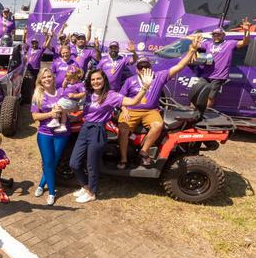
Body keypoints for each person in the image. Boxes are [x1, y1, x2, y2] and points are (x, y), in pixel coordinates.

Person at [69, 68, 153, 204]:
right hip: (85, 129)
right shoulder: (88, 94)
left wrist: (144, 87)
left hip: (97, 130)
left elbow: (132, 102)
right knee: (74, 163)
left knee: (91, 164)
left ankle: (92, 192)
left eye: (99, 79)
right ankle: (85, 186)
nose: (96, 81)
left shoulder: (111, 95)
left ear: (104, 80)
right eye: (93, 79)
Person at [117, 36, 202, 169]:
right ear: (137, 69)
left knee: (158, 125)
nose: (144, 69)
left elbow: (179, 66)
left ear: (151, 68)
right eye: (141, 67)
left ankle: (143, 151)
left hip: (151, 111)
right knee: (123, 130)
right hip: (131, 110)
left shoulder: (159, 76)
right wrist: (124, 109)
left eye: (147, 66)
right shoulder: (130, 81)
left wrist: (192, 50)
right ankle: (123, 158)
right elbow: (120, 98)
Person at [30, 67, 72, 205]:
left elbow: (74, 106)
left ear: (53, 78)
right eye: (44, 77)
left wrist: (67, 108)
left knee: (53, 163)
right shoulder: (37, 95)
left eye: (49, 76)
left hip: (62, 133)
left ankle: (42, 185)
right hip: (45, 134)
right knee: (48, 162)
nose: (47, 79)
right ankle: (52, 193)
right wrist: (50, 114)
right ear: (40, 81)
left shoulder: (61, 91)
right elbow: (35, 116)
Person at [198, 20, 251, 107]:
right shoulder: (208, 44)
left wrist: (246, 31)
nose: (216, 36)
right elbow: (194, 45)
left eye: (218, 34)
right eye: (214, 34)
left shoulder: (229, 44)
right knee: (197, 92)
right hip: (206, 75)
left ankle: (204, 114)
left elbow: (245, 42)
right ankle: (192, 113)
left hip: (218, 76)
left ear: (223, 35)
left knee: (210, 97)